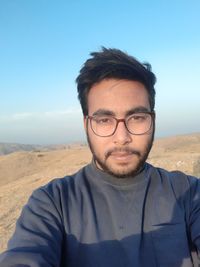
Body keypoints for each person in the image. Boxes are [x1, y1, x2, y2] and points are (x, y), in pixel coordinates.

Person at [0, 47, 200, 267]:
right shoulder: (52, 203)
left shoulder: (188, 193)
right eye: (104, 120)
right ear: (87, 124)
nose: (122, 137)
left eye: (136, 117)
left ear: (153, 120)